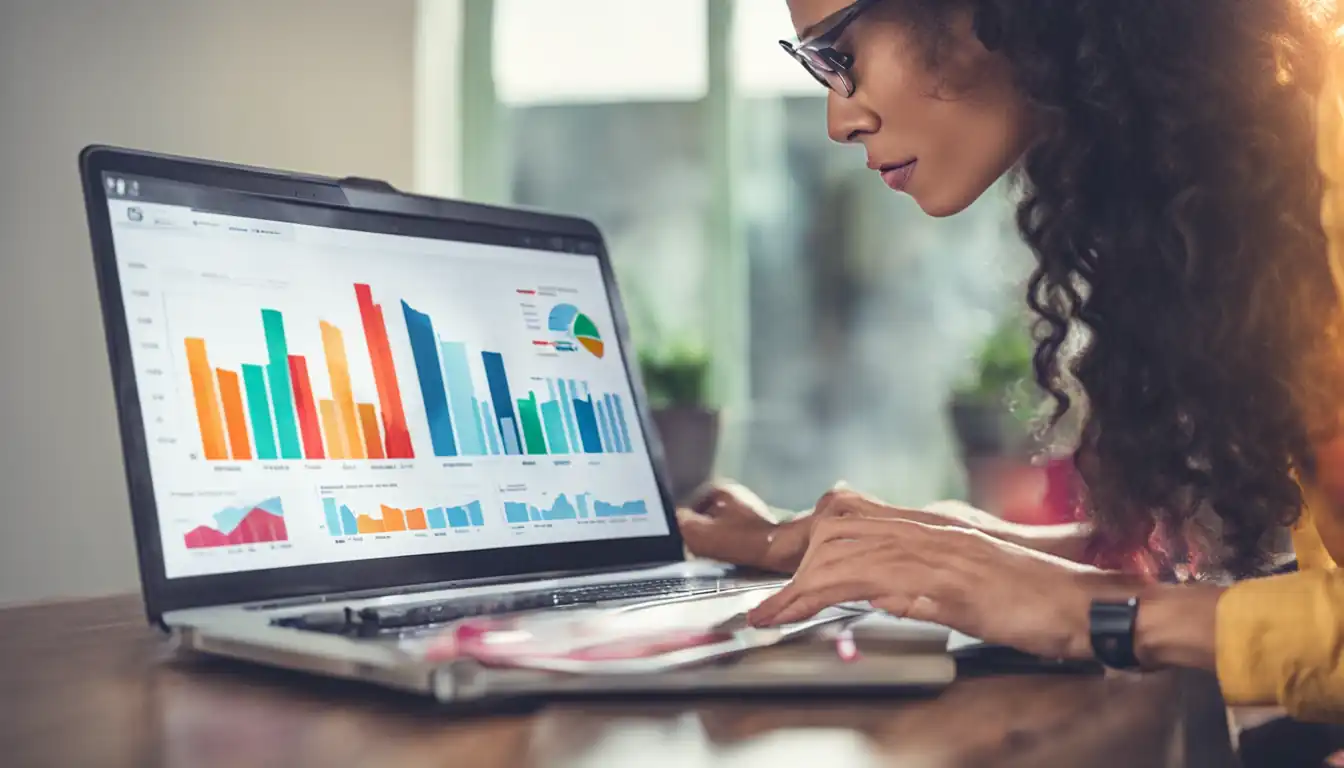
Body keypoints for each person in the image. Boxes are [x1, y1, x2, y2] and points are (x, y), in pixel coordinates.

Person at [678, 0, 1344, 723]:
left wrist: (1093, 612)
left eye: (839, 54)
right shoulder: (1232, 179)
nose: (839, 122)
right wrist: (959, 547)